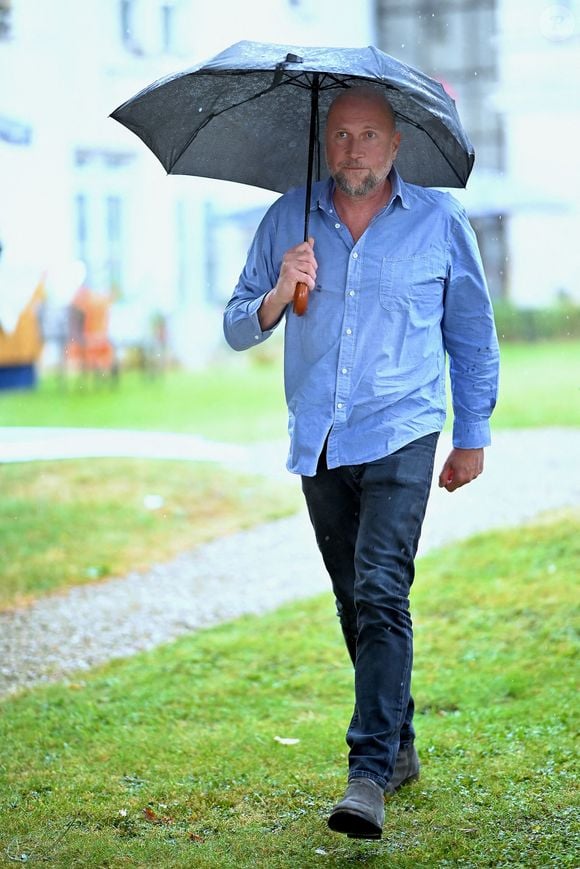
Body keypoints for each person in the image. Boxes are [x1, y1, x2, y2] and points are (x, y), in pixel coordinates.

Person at [223, 86, 499, 840]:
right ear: (327, 141)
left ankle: (368, 772)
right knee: (354, 596)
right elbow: (236, 326)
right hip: (320, 435)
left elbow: (471, 332)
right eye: (341, 134)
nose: (354, 149)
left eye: (369, 135)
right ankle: (400, 740)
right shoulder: (289, 217)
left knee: (382, 587)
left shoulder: (441, 221)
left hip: (403, 429)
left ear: (396, 143)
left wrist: (470, 434)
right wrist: (280, 291)